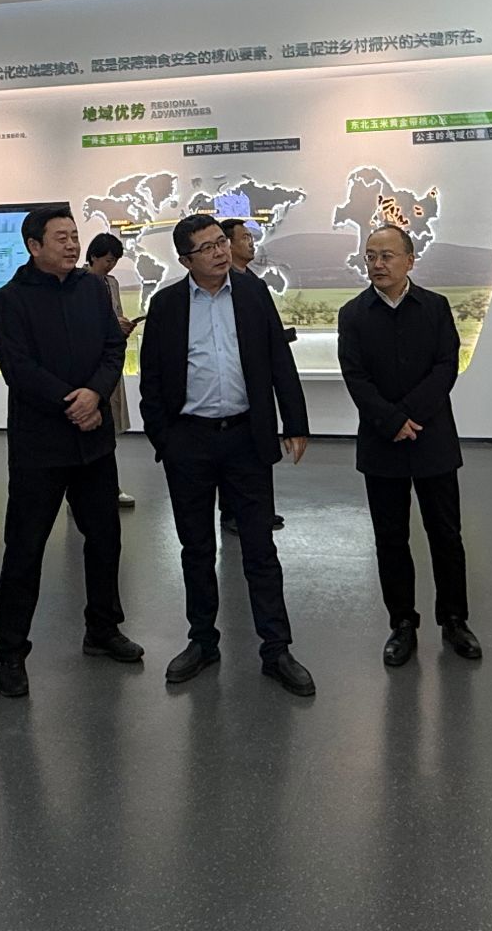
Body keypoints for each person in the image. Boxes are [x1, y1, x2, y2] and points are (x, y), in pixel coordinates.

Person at [139, 214, 314, 697]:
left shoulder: (253, 293)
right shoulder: (167, 305)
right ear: (185, 260)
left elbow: (278, 358)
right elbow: (152, 379)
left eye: (221, 242)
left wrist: (295, 422)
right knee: (196, 548)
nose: (220, 252)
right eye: (207, 247)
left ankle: (276, 649)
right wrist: (165, 441)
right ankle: (202, 641)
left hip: (245, 439)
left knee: (260, 549)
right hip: (189, 442)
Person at [0, 206, 141, 697]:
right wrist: (71, 403)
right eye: (62, 237)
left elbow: (113, 348)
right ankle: (11, 651)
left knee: (105, 539)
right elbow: (17, 367)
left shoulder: (92, 289)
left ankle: (103, 629)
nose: (73, 245)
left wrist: (95, 393)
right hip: (41, 444)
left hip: (93, 442)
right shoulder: (11, 299)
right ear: (34, 245)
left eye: (75, 236)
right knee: (26, 549)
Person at [336, 225, 483, 668]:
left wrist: (410, 416)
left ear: (409, 260)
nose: (377, 264)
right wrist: (391, 421)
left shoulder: (435, 307)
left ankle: (454, 620)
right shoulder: (353, 314)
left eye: (386, 256)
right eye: (370, 256)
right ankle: (402, 623)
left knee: (446, 535)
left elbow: (445, 366)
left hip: (432, 438)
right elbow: (355, 376)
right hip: (381, 443)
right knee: (390, 538)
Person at [219, 217, 287, 534]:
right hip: (232, 388)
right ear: (228, 245)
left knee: (260, 451)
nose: (251, 242)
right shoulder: (223, 284)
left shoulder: (253, 283)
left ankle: (261, 511)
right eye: (244, 237)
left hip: (256, 387)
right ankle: (232, 513)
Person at [83, 232, 140, 508]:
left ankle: (108, 488)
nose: (111, 265)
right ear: (93, 256)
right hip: (89, 368)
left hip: (111, 365)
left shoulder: (112, 283)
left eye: (115, 260)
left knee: (108, 432)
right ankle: (85, 492)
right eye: (107, 259)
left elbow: (113, 318)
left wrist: (122, 327)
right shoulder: (79, 283)